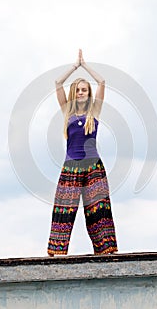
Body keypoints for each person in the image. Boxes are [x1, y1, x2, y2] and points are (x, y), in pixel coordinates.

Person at [47, 49, 118, 256]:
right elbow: (58, 84)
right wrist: (74, 66)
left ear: (88, 93)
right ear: (74, 93)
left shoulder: (94, 112)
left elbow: (102, 82)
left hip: (93, 167)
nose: (81, 93)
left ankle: (105, 250)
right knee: (64, 208)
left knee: (98, 209)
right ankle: (57, 251)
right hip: (71, 166)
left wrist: (85, 65)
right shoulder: (67, 112)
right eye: (78, 90)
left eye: (84, 90)